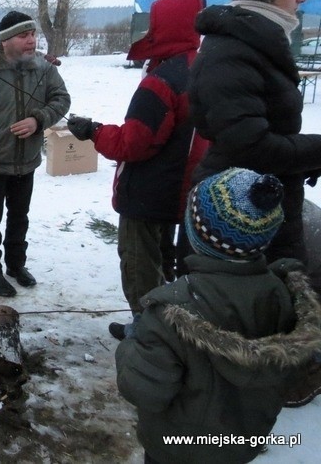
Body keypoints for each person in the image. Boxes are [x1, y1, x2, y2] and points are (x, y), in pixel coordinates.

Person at [188, 0, 321, 406]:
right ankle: (242, 392)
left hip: (265, 190)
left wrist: (300, 161)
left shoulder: (257, 43)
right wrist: (313, 150)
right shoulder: (232, 51)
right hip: (238, 204)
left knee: (280, 289)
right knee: (251, 299)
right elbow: (250, 143)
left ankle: (273, 376)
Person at [115, 167, 321, 464]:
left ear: (198, 233)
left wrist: (134, 343)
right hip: (242, 442)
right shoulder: (285, 295)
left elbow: (144, 391)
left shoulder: (171, 312)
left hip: (176, 449)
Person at [67, 0, 209, 341]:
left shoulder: (164, 79)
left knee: (140, 269)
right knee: (164, 265)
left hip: (149, 195)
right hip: (181, 191)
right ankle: (166, 329)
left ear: (165, 19)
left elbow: (133, 143)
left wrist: (94, 131)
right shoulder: (202, 67)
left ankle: (150, 339)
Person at [0, 10, 71, 297]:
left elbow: (62, 99)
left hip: (27, 162)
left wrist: (39, 119)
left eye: (32, 34)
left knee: (20, 218)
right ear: (6, 40)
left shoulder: (43, 69)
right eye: (24, 35)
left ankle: (16, 265)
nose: (31, 40)